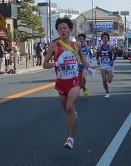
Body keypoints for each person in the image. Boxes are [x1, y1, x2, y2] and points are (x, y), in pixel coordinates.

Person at [43, 17, 90, 149]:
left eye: (65, 28)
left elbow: (81, 57)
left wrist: (88, 68)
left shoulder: (76, 45)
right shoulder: (54, 46)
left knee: (69, 107)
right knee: (68, 111)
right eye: (60, 29)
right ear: (57, 31)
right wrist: (56, 63)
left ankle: (70, 139)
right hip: (61, 83)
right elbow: (44, 64)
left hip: (74, 81)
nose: (62, 30)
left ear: (70, 30)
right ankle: (73, 118)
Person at [96, 32, 117, 98]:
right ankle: (107, 92)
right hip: (103, 65)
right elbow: (97, 55)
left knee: (109, 81)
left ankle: (111, 75)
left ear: (108, 39)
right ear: (102, 39)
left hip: (109, 65)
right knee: (104, 80)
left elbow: (115, 55)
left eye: (106, 38)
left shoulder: (111, 47)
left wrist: (113, 61)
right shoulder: (99, 47)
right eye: (103, 38)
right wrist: (98, 61)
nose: (105, 39)